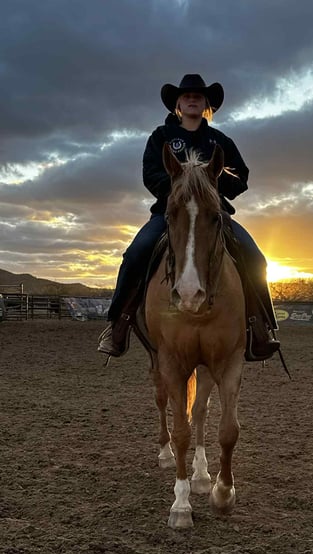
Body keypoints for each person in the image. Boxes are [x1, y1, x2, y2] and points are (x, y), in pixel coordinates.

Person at [98, 74, 280, 361]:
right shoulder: (161, 137)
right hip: (170, 213)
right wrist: (182, 186)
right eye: (186, 96)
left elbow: (241, 178)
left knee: (256, 258)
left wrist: (209, 181)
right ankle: (118, 324)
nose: (192, 99)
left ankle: (261, 327)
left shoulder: (220, 141)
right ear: (178, 104)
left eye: (198, 96)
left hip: (213, 214)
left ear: (206, 104)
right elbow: (150, 174)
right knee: (136, 253)